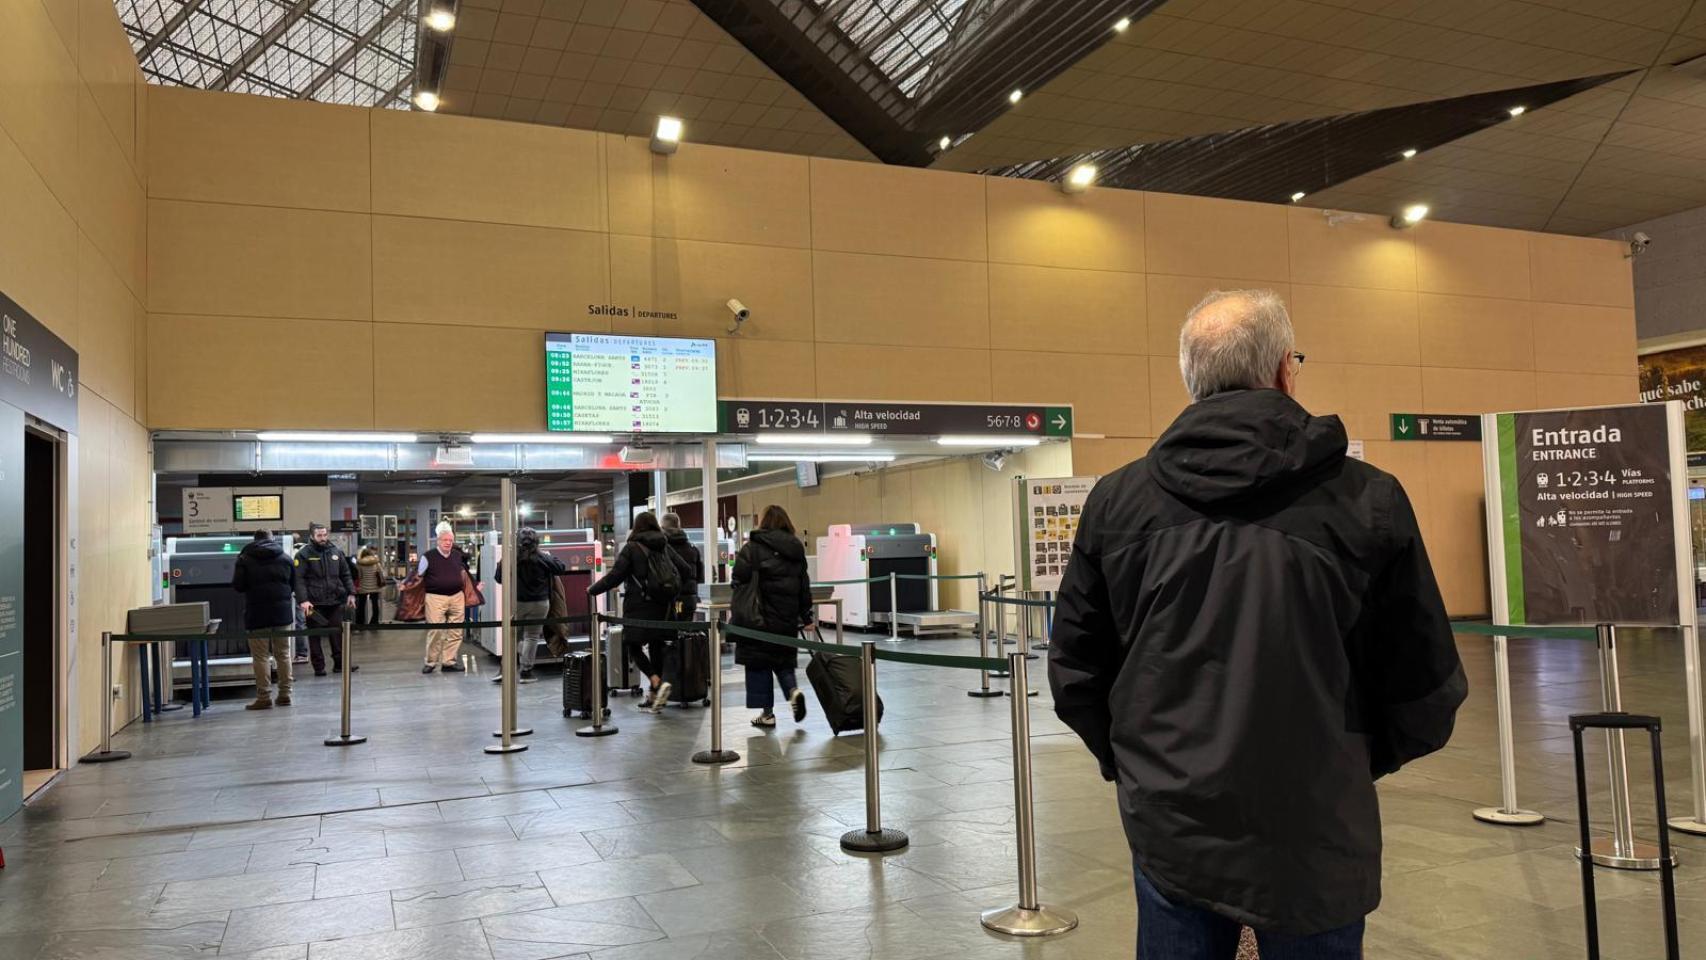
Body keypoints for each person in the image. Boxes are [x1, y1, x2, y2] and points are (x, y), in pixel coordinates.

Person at [1048, 289, 1468, 960]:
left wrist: (1142, 768)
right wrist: (1350, 761)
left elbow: (1075, 671)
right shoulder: (1368, 501)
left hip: (1171, 825)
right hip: (1317, 824)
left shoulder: (1118, 503)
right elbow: (1425, 683)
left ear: (1193, 379)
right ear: (1282, 370)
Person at [587, 512, 692, 712]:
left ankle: (655, 681)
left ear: (636, 527)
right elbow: (686, 570)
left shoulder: (632, 548)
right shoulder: (664, 545)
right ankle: (655, 697)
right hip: (664, 607)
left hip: (639, 607)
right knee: (656, 646)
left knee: (632, 646)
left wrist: (593, 589)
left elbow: (615, 576)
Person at [730, 505, 812, 729]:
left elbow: (738, 578)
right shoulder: (796, 549)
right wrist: (807, 615)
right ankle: (793, 691)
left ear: (764, 523)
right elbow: (804, 584)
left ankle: (767, 714)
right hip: (786, 618)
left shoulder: (752, 549)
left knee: (759, 664)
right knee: (783, 661)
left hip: (757, 618)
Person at [493, 527, 567, 684]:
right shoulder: (542, 557)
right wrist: (548, 555)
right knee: (531, 637)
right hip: (540, 604)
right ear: (536, 542)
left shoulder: (510, 558)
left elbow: (498, 578)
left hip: (517, 604)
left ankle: (505, 671)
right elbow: (561, 567)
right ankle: (526, 672)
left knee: (513, 637)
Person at [231, 529, 295, 710]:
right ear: (272, 539)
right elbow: (292, 585)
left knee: (261, 656)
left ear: (254, 540)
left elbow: (238, 586)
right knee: (283, 653)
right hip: (282, 613)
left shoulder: (244, 558)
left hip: (257, 612)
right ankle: (285, 694)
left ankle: (264, 696)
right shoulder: (285, 558)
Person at [292, 522, 357, 677]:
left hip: (335, 601)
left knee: (337, 633)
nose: (323, 538)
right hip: (313, 604)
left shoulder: (336, 552)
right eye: (319, 535)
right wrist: (303, 600)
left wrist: (351, 593)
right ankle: (319, 667)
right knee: (315, 635)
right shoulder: (303, 554)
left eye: (324, 535)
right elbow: (298, 580)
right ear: (312, 536)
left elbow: (346, 574)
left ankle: (340, 664)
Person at [418, 521, 472, 674]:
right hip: (435, 597)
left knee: (456, 631)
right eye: (445, 540)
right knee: (435, 630)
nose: (448, 543)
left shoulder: (456, 555)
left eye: (450, 540)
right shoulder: (428, 556)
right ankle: (430, 662)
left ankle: (449, 661)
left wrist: (473, 587)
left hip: (457, 596)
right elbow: (418, 576)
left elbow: (464, 574)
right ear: (438, 541)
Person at [660, 513, 703, 620]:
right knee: (687, 633)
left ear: (663, 528)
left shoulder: (662, 550)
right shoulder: (693, 549)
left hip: (668, 602)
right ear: (679, 526)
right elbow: (700, 577)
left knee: (669, 634)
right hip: (689, 601)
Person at [353, 545, 388, 630]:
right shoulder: (376, 563)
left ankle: (360, 623)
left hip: (363, 587)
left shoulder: (359, 563)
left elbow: (359, 576)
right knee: (375, 605)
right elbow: (381, 573)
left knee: (361, 605)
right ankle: (374, 622)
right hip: (375, 587)